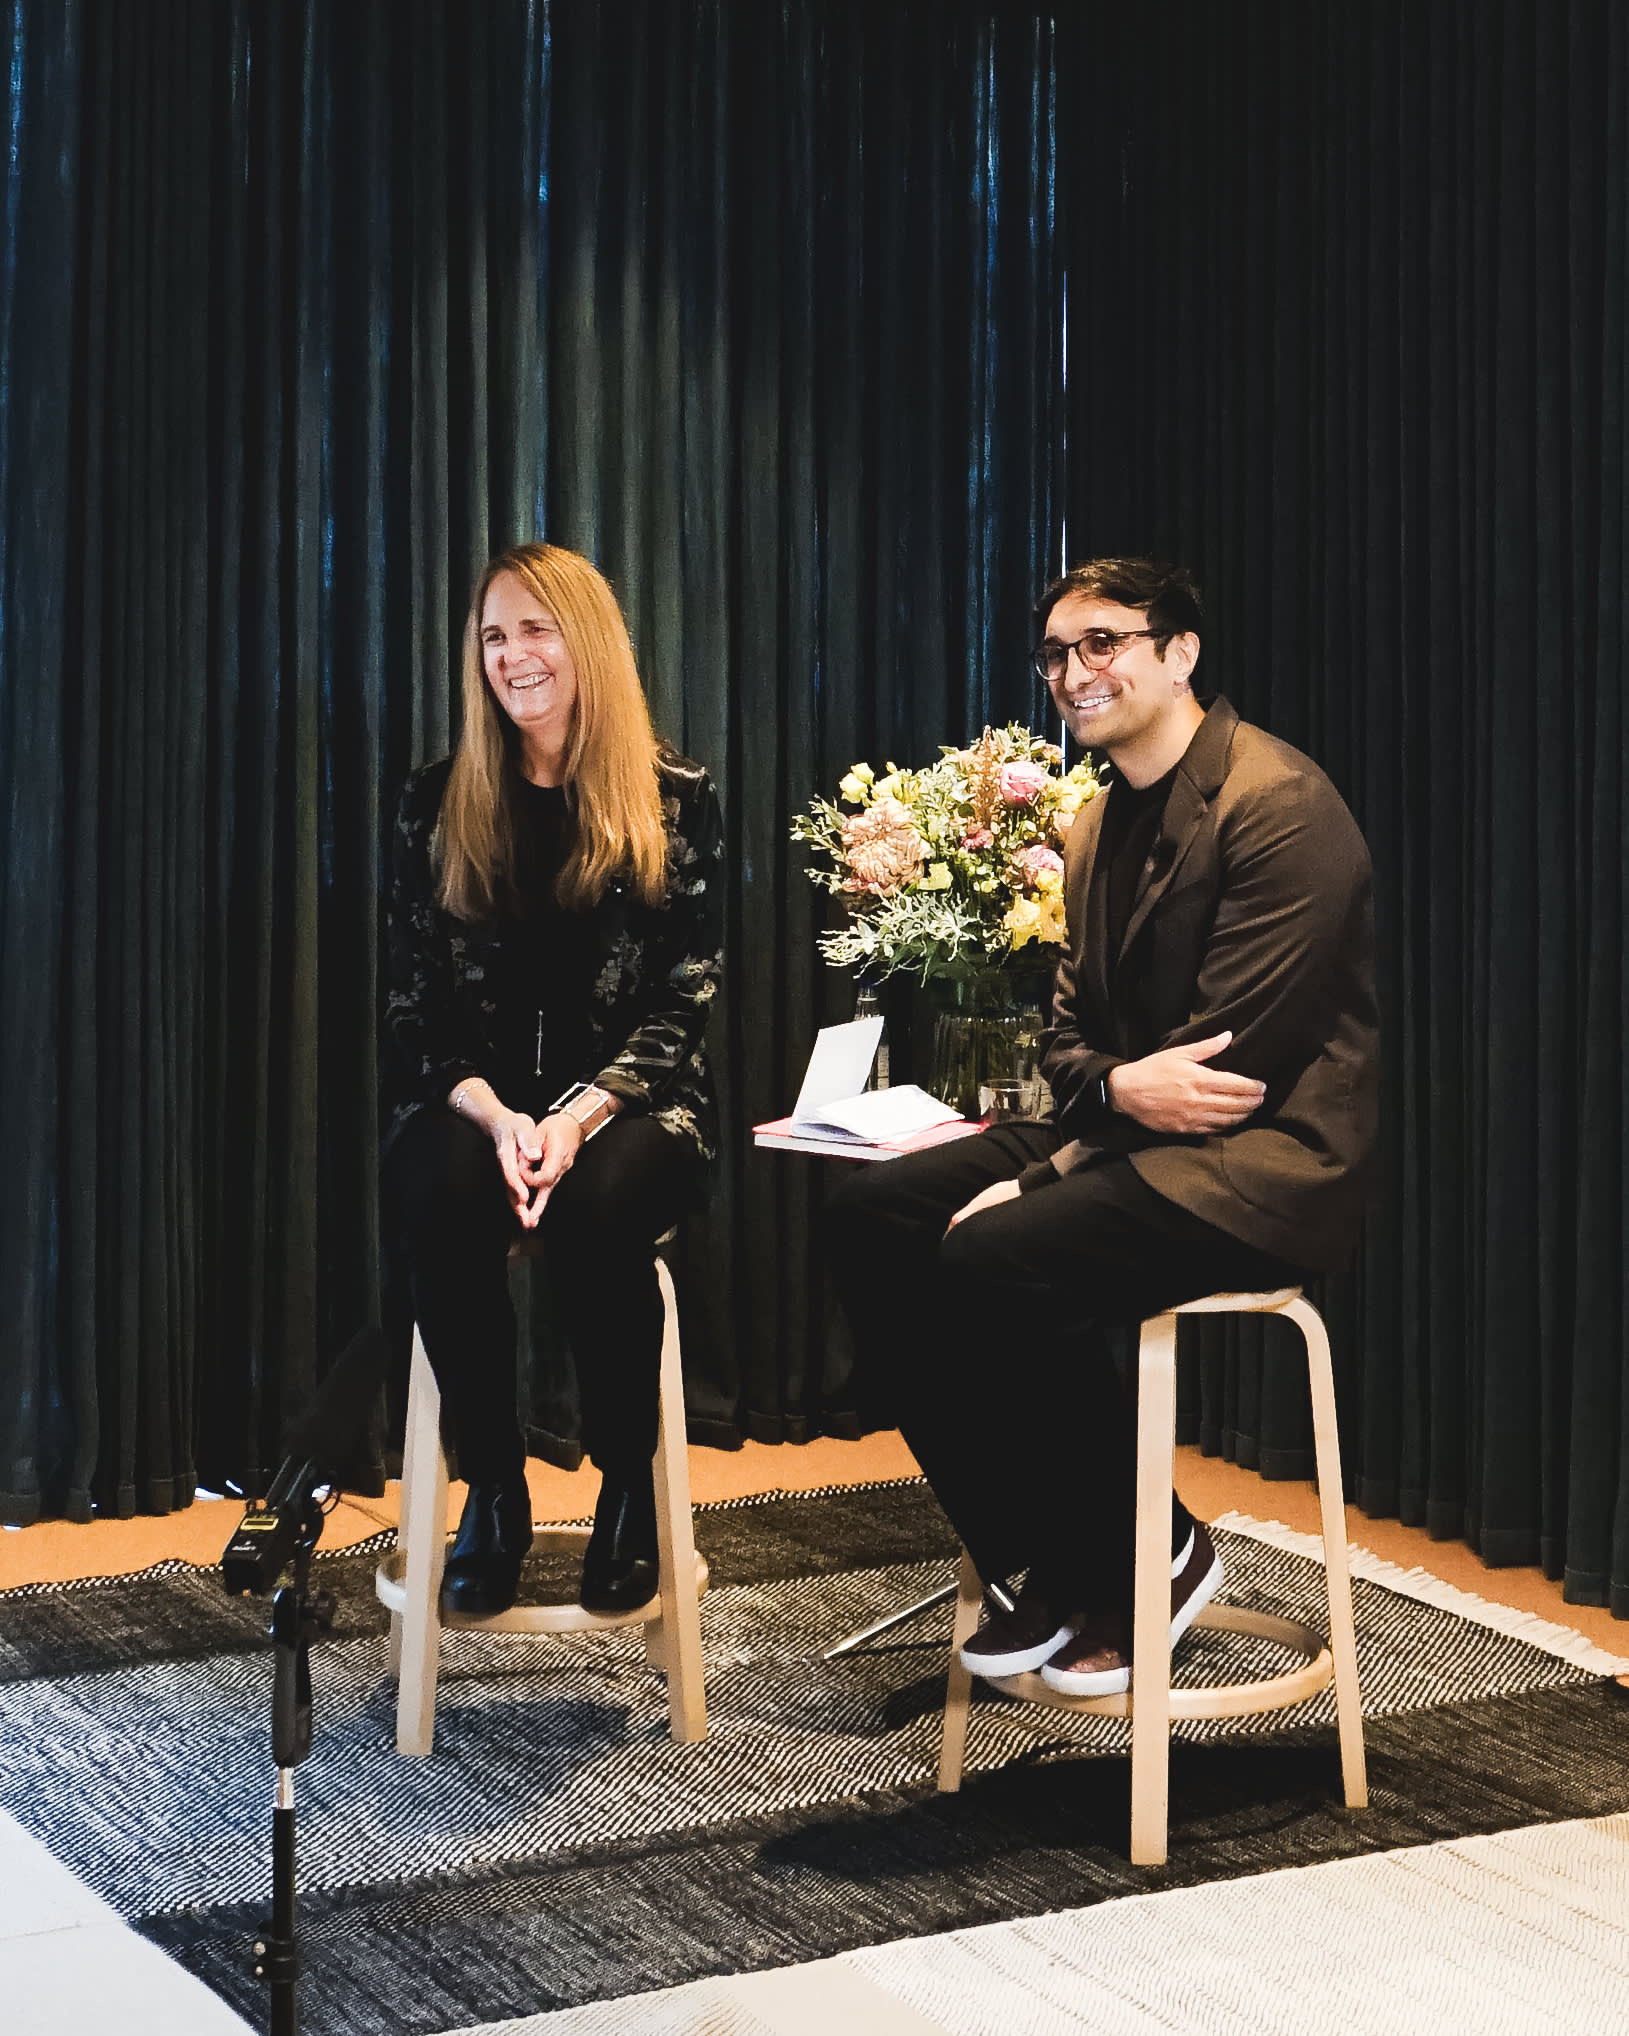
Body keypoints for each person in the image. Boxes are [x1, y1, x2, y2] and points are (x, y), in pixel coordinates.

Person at [825, 557, 1378, 1695]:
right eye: (1056, 653)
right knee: (870, 1214)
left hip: (1260, 1167)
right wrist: (1105, 1104)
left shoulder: (1280, 805)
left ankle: (1144, 1551)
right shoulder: (1091, 829)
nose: (1075, 672)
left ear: (1180, 653)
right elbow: (1073, 1051)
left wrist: (1047, 1171)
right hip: (1132, 1133)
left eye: (1104, 643)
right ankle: (1047, 1557)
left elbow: (1230, 1071)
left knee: (994, 1252)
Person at [382, 542, 723, 1619]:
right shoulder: (435, 801)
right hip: (473, 1103)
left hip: (632, 1106)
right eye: (494, 634)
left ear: (588, 642)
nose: (514, 655)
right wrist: (493, 1117)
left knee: (599, 1206)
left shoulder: (676, 800)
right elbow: (412, 1008)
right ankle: (494, 1483)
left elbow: (686, 1003)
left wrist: (573, 1120)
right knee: (435, 1189)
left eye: (537, 629)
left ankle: (627, 1480)